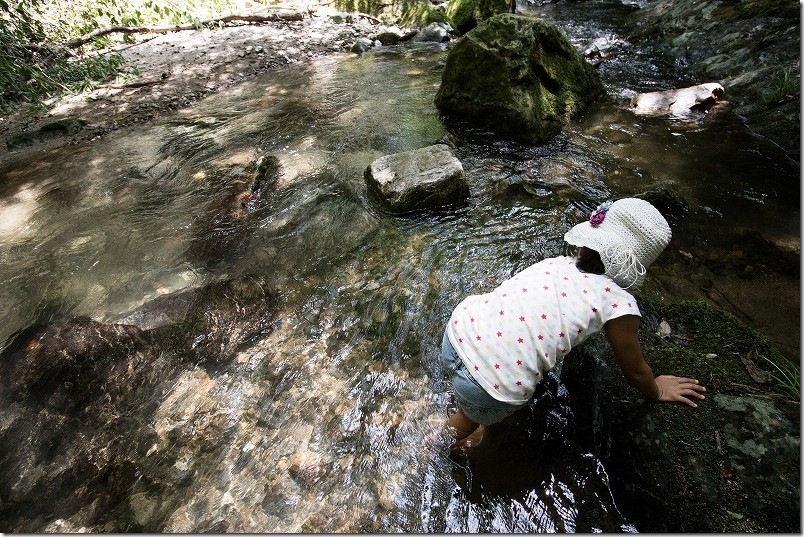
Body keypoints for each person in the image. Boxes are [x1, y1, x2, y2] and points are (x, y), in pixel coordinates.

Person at [441, 198, 706, 449]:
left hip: (458, 333)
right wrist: (657, 389)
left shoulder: (557, 264)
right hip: (488, 385)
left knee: (478, 388)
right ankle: (433, 444)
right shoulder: (619, 304)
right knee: (465, 422)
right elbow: (635, 370)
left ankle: (470, 403)